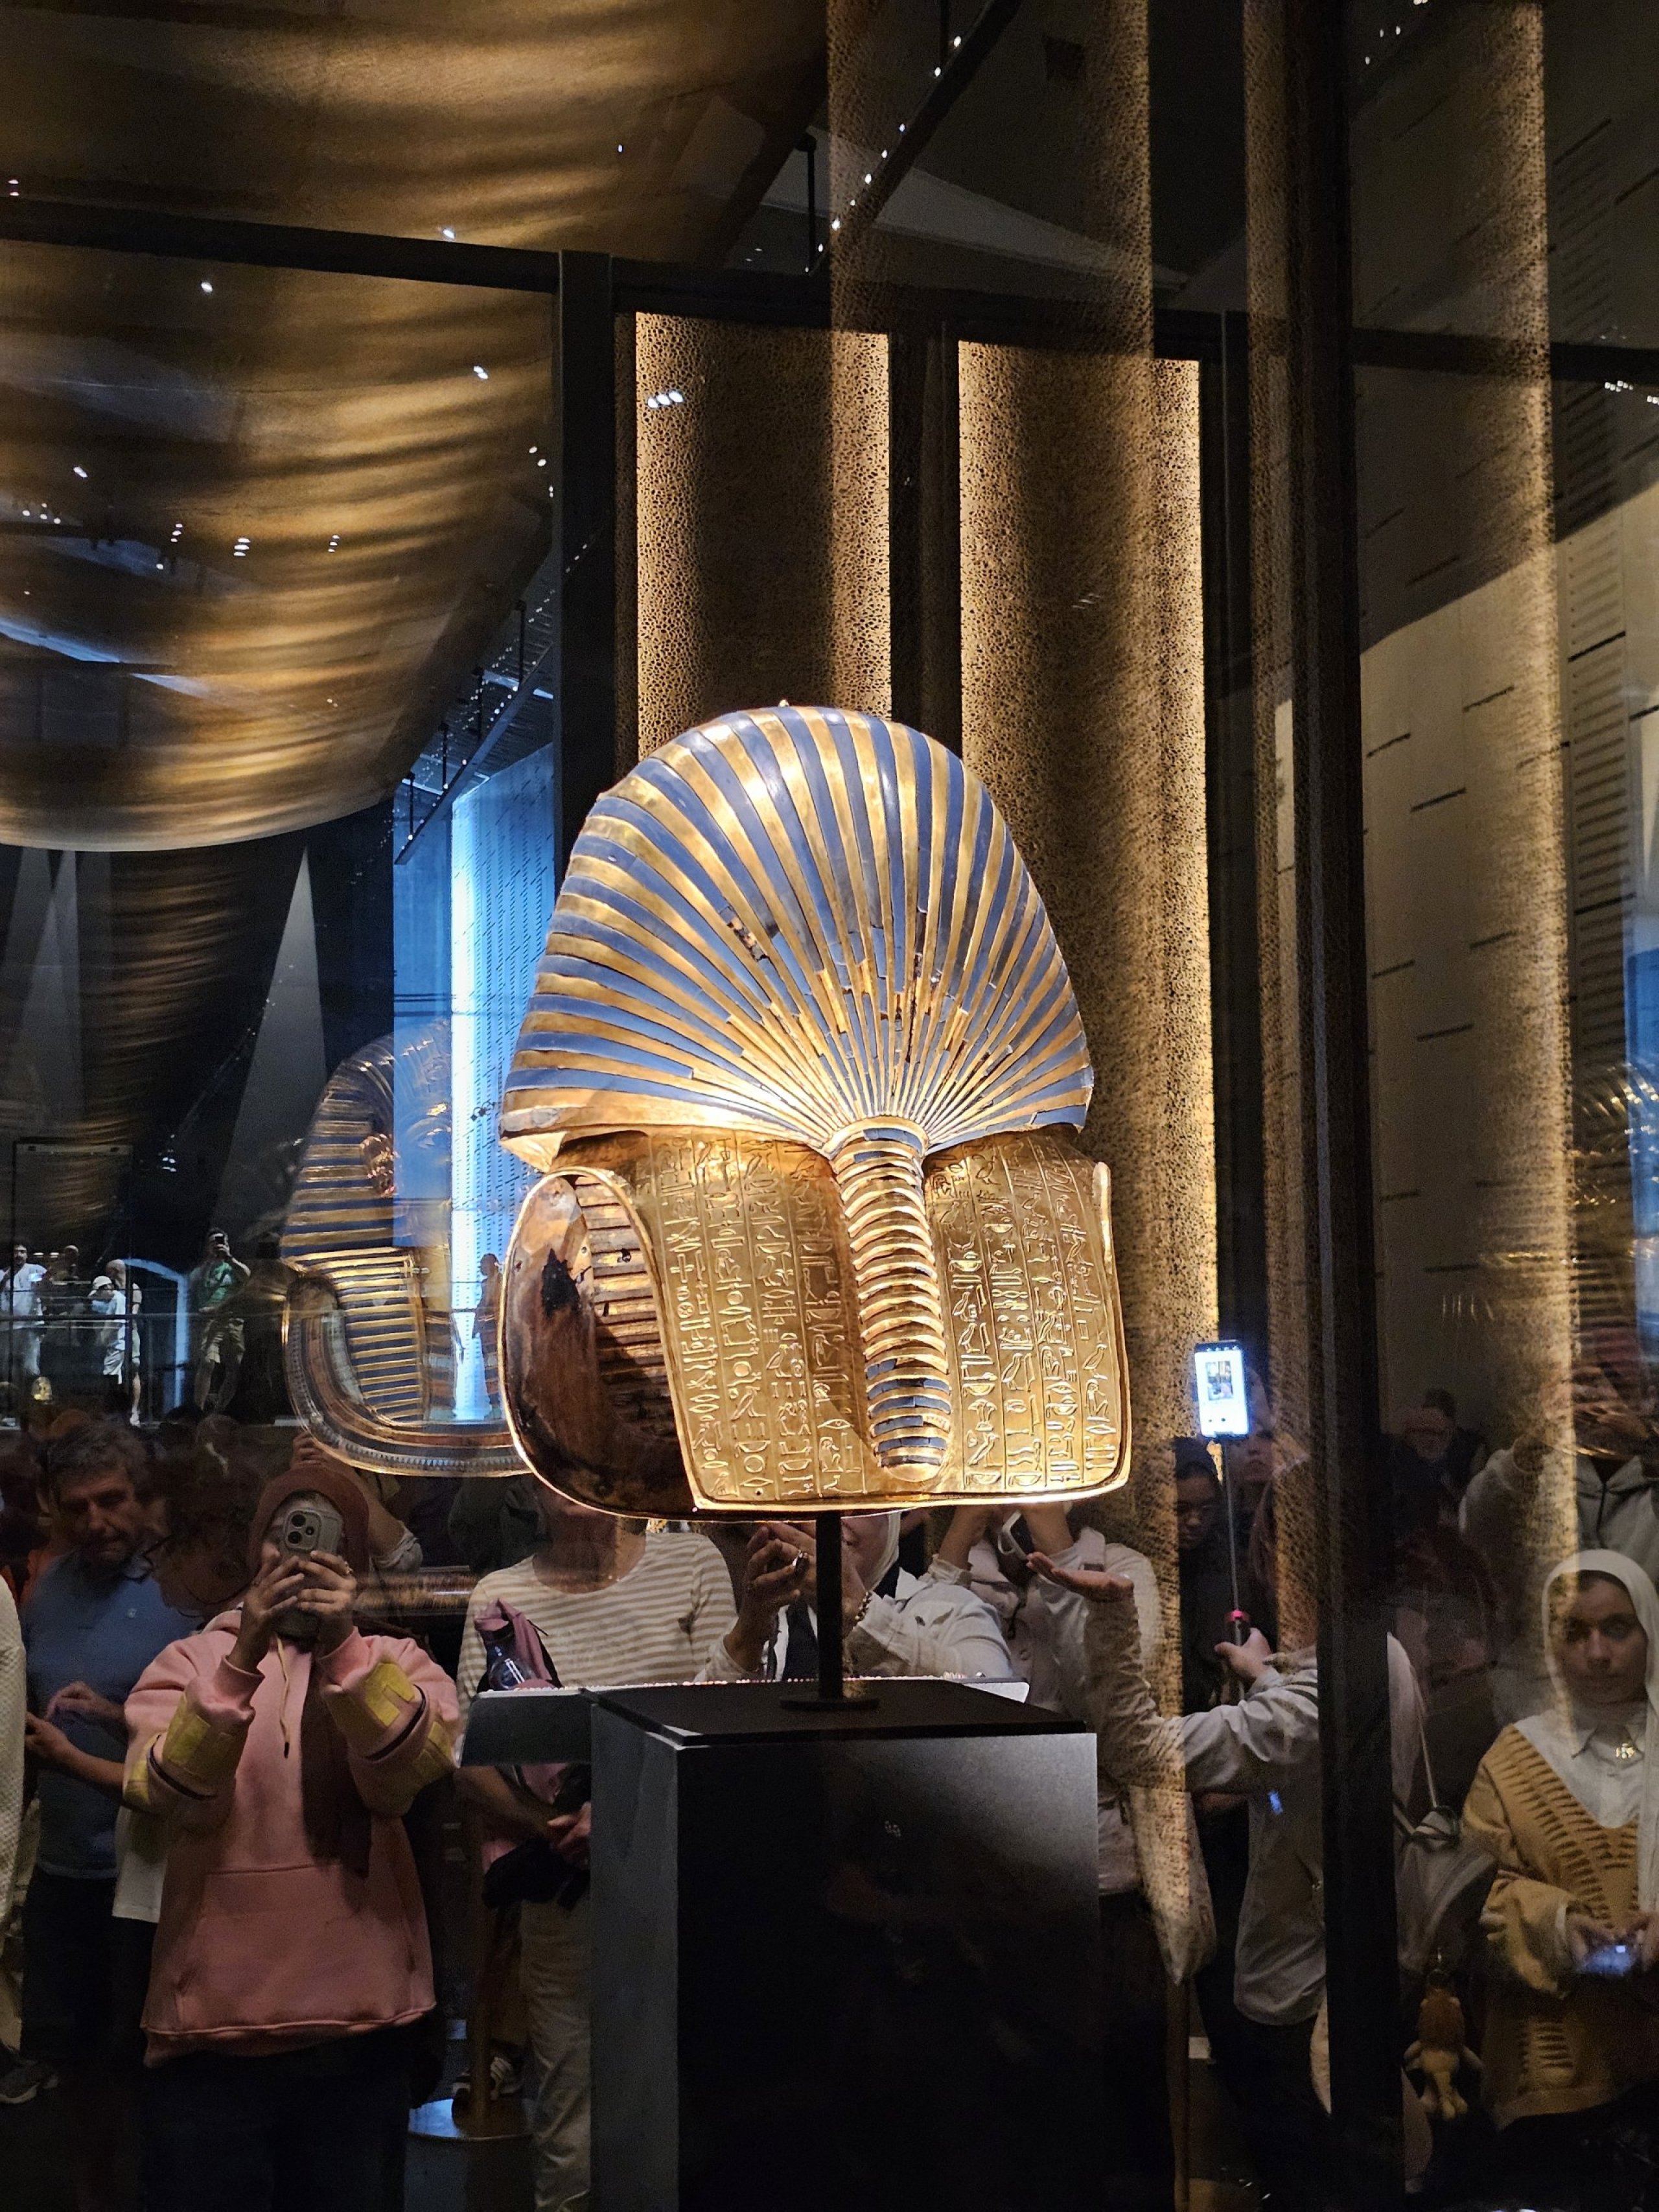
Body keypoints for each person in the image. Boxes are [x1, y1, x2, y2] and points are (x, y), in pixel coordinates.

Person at [1034, 1462, 1422, 2212]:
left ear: (1283, 1555)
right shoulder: (1380, 1654)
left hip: (1306, 1995)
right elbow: (1307, 1732)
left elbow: (1137, 1748)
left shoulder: (1325, 1692)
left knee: (1312, 2180)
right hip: (1340, 1970)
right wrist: (1264, 1676)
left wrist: (1112, 1618)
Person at [122, 1442, 458, 2211]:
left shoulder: (397, 1660)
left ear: (353, 1559)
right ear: (254, 1550)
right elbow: (171, 1790)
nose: (297, 1555)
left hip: (360, 2030)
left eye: (321, 1537)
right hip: (214, 2033)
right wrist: (240, 1658)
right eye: (283, 1535)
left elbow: (406, 1773)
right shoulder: (189, 1661)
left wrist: (345, 1652)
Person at [454, 1485, 794, 2212]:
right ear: (528, 1487)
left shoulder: (689, 1562)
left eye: (584, 1471)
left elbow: (722, 1714)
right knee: (571, 2133)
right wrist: (549, 1823)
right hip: (564, 1889)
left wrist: (614, 1815)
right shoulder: (499, 1593)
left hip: (676, 1881)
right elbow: (468, 1756)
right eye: (553, 1471)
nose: (570, 1490)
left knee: (688, 2110)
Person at [11, 1421, 196, 2195]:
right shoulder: (45, 1590)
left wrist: (116, 1720)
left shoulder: (179, 1590)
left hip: (154, 1874)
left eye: (112, 1500)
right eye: (77, 1506)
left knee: (154, 2064)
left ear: (141, 1495)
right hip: (65, 1867)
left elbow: (200, 1742)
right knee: (74, 2062)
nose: (97, 1521)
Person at [1462, 1551, 1659, 2211]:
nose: (1597, 1653)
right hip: (1554, 2070)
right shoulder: (1515, 1759)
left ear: (1650, 1629)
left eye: (1618, 1627)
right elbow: (1475, 1894)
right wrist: (1557, 1923)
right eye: (1576, 1632)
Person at [708, 1509, 1018, 1686]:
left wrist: (857, 1609)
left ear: (892, 1519)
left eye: (858, 1507)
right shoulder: (777, 1623)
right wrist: (746, 1638)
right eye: (815, 1505)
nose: (834, 1521)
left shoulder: (950, 1608)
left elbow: (994, 1697)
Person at [187, 1229, 251, 1413]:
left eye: (222, 1242)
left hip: (232, 1321)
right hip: (210, 1322)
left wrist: (229, 1258)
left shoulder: (233, 1268)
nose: (219, 1246)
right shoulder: (203, 1270)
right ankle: (198, 1410)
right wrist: (209, 1260)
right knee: (207, 1362)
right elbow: (192, 1281)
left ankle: (220, 1409)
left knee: (235, 1366)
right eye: (214, 1243)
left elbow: (247, 1276)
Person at [1, 1242, 46, 1403]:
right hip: (6, 1327)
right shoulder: (2, 1273)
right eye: (15, 1252)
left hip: (29, 1326)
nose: (19, 1255)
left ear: (27, 1255)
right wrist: (6, 1278)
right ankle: (12, 1402)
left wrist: (46, 1280)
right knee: (7, 1367)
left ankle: (34, 1401)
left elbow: (41, 1287)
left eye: (22, 1252)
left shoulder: (34, 1270)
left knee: (30, 1367)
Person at [474, 1253, 503, 1408]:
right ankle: (494, 1401)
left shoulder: (500, 1282)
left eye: (485, 1264)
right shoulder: (486, 1284)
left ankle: (500, 1400)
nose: (482, 1267)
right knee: (489, 1367)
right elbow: (483, 1304)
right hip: (487, 1331)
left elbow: (494, 1303)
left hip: (496, 1329)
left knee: (499, 1364)